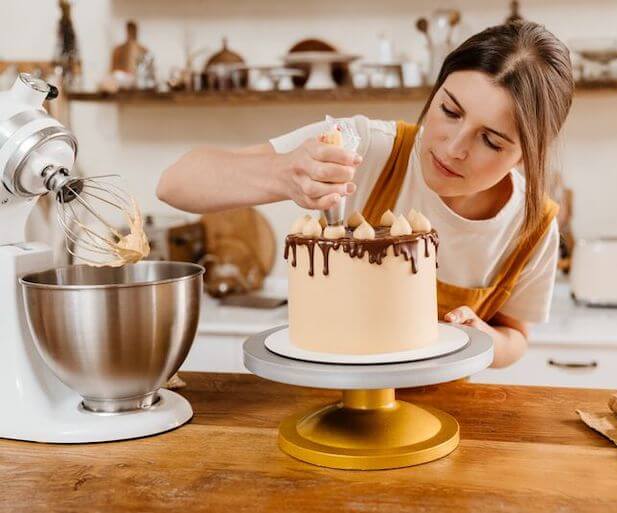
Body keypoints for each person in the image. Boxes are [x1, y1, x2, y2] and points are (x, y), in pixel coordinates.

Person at [157, 20, 574, 368]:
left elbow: (515, 336)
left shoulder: (531, 225)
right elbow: (176, 183)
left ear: (526, 155)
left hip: (448, 417)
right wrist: (283, 172)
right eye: (449, 111)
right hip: (325, 397)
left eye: (492, 141)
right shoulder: (364, 147)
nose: (453, 147)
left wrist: (483, 337)